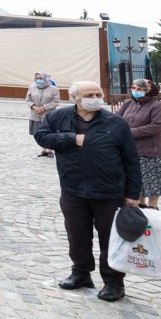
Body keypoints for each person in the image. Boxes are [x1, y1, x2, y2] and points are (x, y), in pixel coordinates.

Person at [35, 81, 142, 302]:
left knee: (110, 239)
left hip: (109, 192)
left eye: (98, 94)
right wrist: (72, 139)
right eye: (89, 94)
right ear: (75, 97)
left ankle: (114, 282)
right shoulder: (59, 117)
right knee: (77, 235)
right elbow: (42, 136)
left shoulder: (116, 123)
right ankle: (81, 273)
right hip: (73, 188)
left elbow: (131, 159)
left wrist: (133, 194)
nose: (95, 97)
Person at [116, 79, 161, 211]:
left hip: (151, 150)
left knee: (154, 181)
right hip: (129, 149)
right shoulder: (128, 103)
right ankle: (140, 204)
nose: (136, 90)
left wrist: (129, 132)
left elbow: (155, 126)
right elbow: (117, 119)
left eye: (141, 88)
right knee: (136, 180)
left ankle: (153, 207)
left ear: (150, 90)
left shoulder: (158, 106)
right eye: (134, 88)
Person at [26, 71, 60, 159]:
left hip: (49, 115)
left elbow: (55, 102)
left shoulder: (54, 89)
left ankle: (50, 150)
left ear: (45, 78)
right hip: (35, 115)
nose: (38, 80)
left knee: (49, 133)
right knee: (39, 133)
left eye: (40, 78)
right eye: (37, 78)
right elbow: (28, 100)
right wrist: (33, 107)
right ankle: (44, 150)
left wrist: (43, 108)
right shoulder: (32, 87)